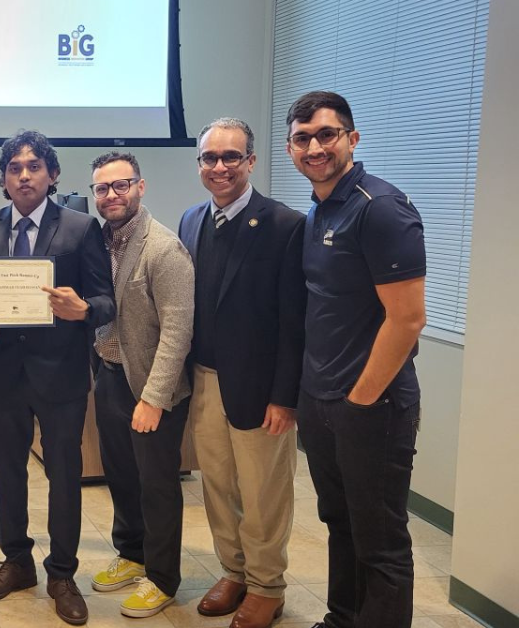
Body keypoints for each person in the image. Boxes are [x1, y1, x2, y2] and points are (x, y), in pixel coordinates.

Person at [285, 91, 426, 628]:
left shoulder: (380, 208)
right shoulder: (322, 208)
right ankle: (342, 618)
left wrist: (360, 399)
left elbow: (408, 318)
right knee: (340, 523)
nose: (315, 147)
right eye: (303, 138)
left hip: (373, 405)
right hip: (323, 400)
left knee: (380, 539)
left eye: (326, 134)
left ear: (351, 138)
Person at [0, 130, 115, 626]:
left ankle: (62, 573)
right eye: (14, 168)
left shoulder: (79, 227)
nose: (24, 175)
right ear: (3, 179)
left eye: (33, 167)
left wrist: (82, 310)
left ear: (51, 175)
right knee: (7, 472)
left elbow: (105, 300)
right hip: (2, 373)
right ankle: (17, 562)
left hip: (62, 376)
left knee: (64, 476)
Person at [177, 118, 305, 628]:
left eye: (231, 157)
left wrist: (285, 395)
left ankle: (267, 585)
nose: (220, 166)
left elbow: (295, 322)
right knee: (218, 486)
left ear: (251, 161)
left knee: (264, 493)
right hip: (205, 379)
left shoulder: (286, 225)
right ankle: (233, 571)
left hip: (260, 389)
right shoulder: (190, 220)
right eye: (210, 158)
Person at [87, 151, 194, 619]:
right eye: (102, 188)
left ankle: (163, 578)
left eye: (121, 185)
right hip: (110, 376)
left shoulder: (163, 249)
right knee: (122, 476)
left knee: (157, 485)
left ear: (140, 187)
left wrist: (153, 398)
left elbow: (177, 330)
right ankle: (131, 554)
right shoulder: (98, 243)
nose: (111, 195)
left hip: (152, 386)